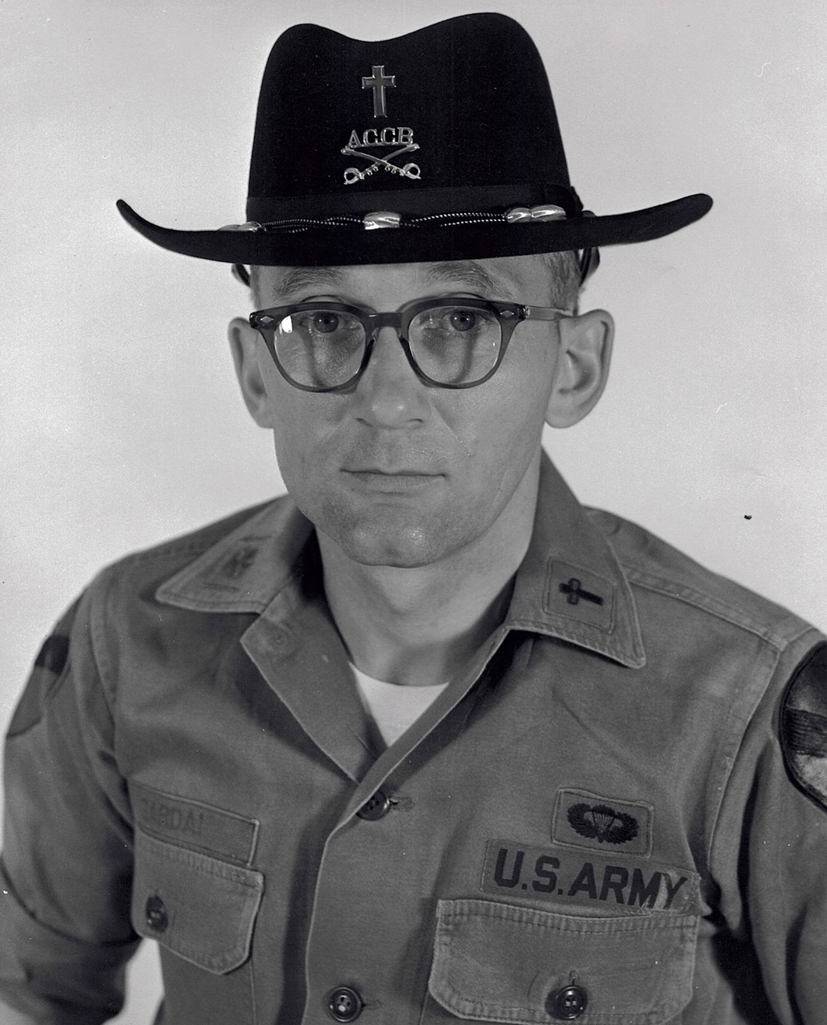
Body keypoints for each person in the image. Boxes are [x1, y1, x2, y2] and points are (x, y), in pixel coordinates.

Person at [1, 12, 825, 1025]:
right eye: (320, 321)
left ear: (574, 366)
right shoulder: (126, 637)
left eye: (459, 321)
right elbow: (23, 995)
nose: (385, 398)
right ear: (255, 371)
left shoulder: (746, 706)